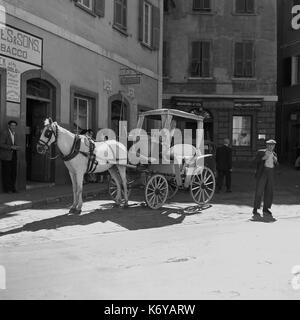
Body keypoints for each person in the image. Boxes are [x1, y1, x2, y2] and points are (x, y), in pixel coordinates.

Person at [252, 139, 278, 221]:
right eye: (269, 145)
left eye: (273, 145)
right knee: (259, 191)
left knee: (269, 192)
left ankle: (266, 208)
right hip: (263, 173)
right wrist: (263, 158)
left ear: (274, 146)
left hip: (271, 173)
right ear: (267, 145)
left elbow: (277, 165)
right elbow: (254, 161)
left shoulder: (274, 154)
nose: (271, 146)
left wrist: (276, 161)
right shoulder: (261, 152)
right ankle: (255, 208)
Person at [0, 120, 21, 193]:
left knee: (13, 173)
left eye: (14, 125)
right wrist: (11, 147)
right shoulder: (4, 133)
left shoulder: (15, 133)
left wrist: (17, 147)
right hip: (6, 156)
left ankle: (13, 188)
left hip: (14, 155)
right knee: (6, 173)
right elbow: (1, 144)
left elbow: (14, 144)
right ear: (9, 126)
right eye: (12, 125)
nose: (13, 127)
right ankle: (7, 189)